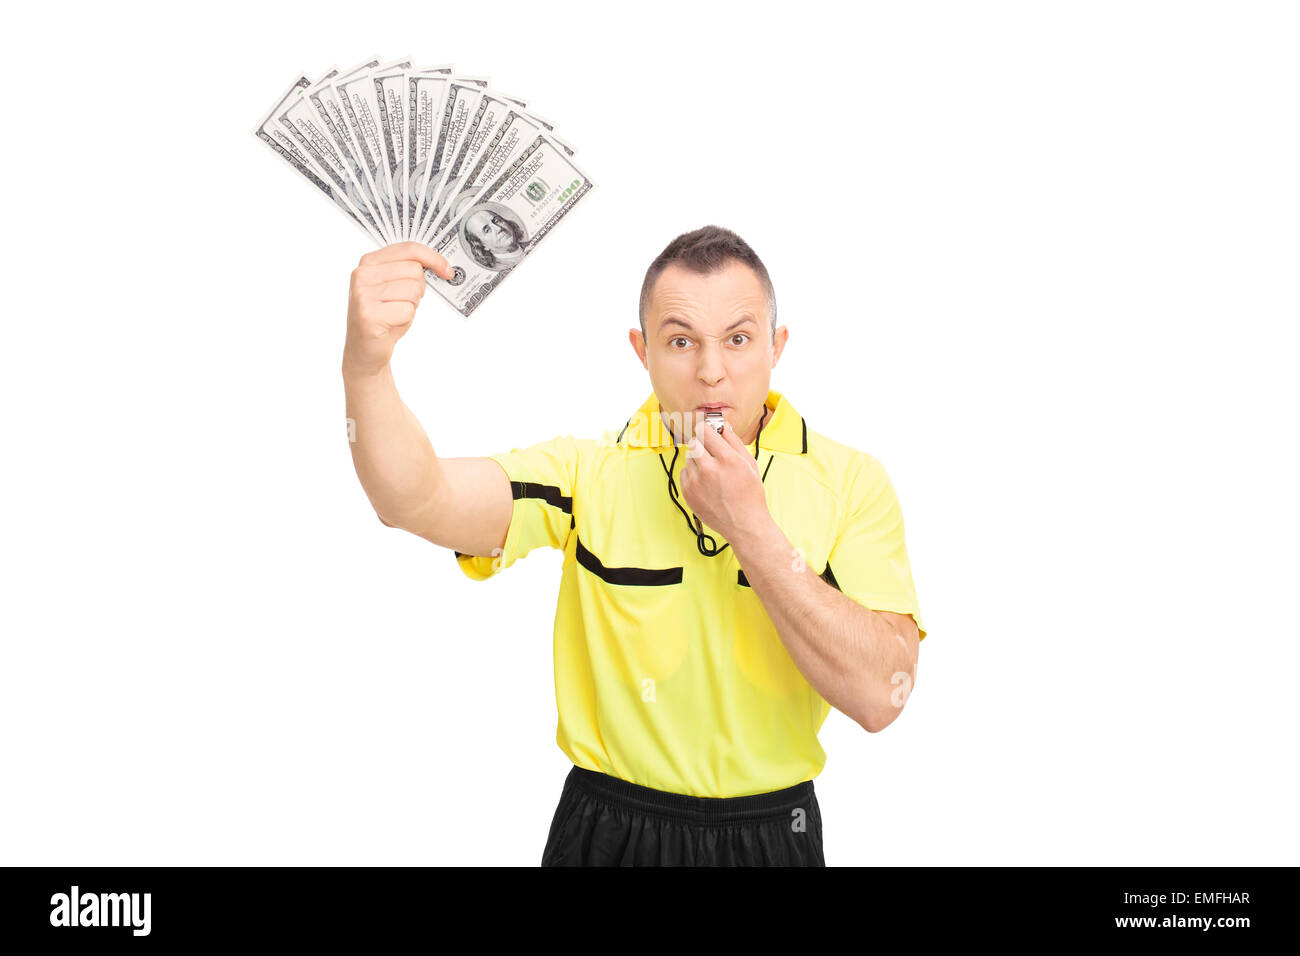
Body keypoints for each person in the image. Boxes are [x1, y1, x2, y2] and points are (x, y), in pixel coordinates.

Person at [342, 225, 927, 866]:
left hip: (771, 833)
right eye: (680, 341)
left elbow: (882, 697)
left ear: (775, 347)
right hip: (609, 832)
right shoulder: (587, 473)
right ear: (641, 351)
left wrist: (751, 528)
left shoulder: (850, 482)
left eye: (738, 339)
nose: (711, 373)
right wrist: (367, 368)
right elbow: (414, 499)